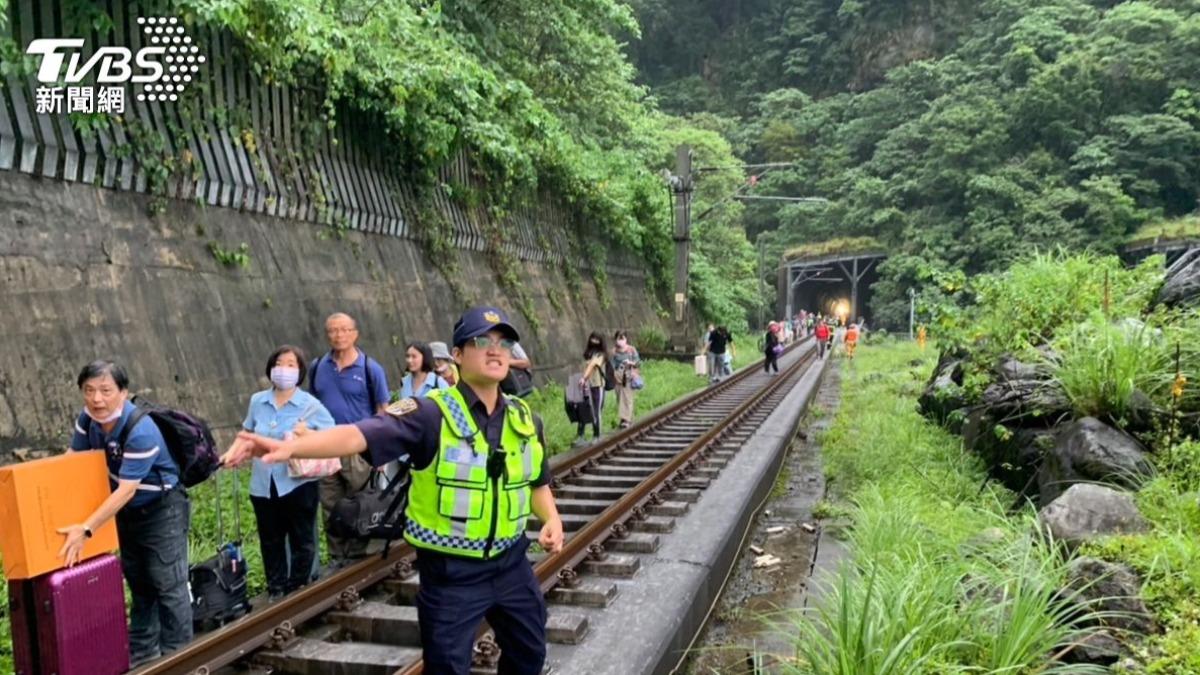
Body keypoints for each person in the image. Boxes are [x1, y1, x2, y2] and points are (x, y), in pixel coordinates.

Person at [222, 306, 563, 675]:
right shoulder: (428, 412)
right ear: (458, 356)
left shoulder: (523, 417)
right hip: (452, 573)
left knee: (529, 654)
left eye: (504, 342)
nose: (495, 350)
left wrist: (551, 518)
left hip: (512, 564)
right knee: (447, 667)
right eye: (482, 341)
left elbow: (536, 480)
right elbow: (360, 434)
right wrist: (292, 447)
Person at [61, 361, 191, 667]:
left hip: (162, 509)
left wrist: (87, 528)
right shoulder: (88, 420)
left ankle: (180, 656)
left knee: (168, 583)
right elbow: (72, 460)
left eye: (106, 390)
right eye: (89, 391)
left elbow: (126, 489)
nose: (97, 399)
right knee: (139, 581)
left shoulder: (140, 430)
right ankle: (143, 654)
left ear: (123, 392)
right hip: (127, 511)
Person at [243, 346, 334, 600]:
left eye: (291, 364)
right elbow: (247, 433)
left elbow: (331, 435)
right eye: (279, 363)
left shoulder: (310, 405)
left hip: (298, 483)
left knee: (302, 539)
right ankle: (276, 589)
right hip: (263, 482)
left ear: (300, 370)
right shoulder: (257, 401)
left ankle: (298, 588)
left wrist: (307, 434)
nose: (284, 369)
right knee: (270, 539)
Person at [309, 312, 390, 564]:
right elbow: (312, 404)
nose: (338, 335)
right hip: (326, 447)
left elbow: (382, 411)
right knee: (330, 503)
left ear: (355, 333)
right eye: (333, 330)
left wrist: (382, 450)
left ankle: (360, 554)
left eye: (344, 330)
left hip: (358, 446)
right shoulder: (317, 366)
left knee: (361, 502)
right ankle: (337, 555)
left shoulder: (369, 368)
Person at [576, 332, 607, 445]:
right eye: (593, 338)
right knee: (582, 409)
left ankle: (597, 435)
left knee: (595, 411)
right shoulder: (587, 354)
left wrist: (584, 378)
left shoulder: (601, 355)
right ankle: (580, 435)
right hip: (585, 386)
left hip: (597, 386)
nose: (594, 341)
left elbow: (592, 366)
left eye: (597, 339)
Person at [611, 330, 641, 429]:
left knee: (628, 398)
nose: (620, 341)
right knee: (620, 398)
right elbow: (611, 365)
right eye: (618, 339)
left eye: (622, 338)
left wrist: (630, 363)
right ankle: (625, 418)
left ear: (626, 339)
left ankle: (626, 420)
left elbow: (637, 362)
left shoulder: (631, 350)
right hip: (618, 377)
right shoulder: (614, 351)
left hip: (629, 376)